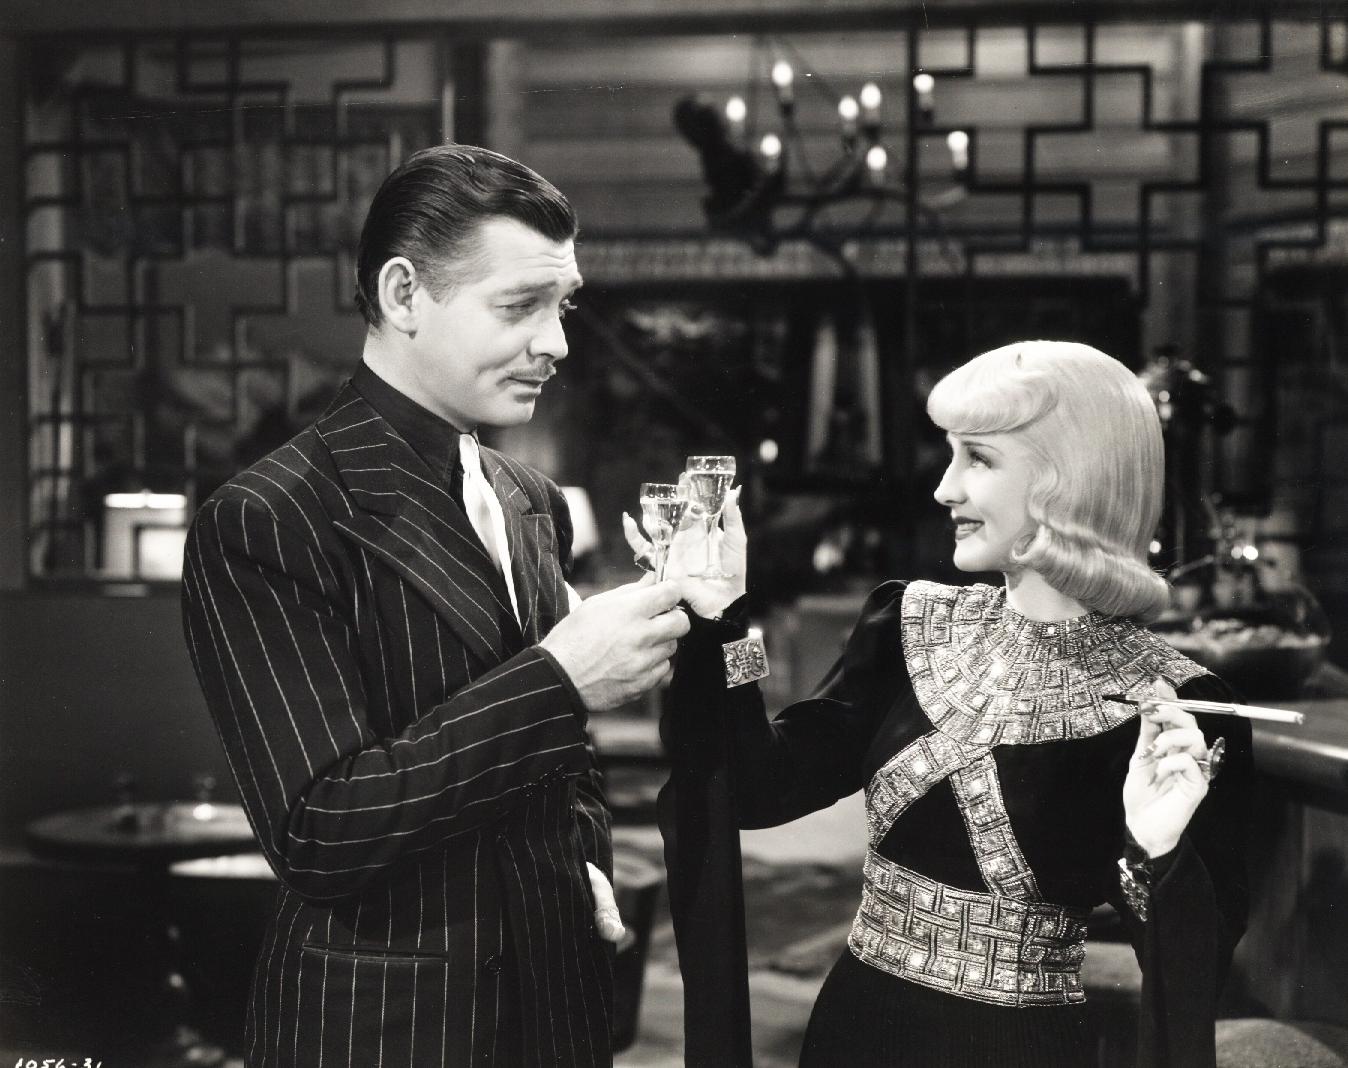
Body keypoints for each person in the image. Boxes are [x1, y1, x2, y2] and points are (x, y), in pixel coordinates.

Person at [182, 144, 689, 1068]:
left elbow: (563, 769)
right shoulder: (271, 516)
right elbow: (321, 831)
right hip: (391, 1026)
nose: (558, 342)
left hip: (557, 1000)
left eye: (562, 305)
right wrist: (561, 677)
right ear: (404, 294)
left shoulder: (530, 500)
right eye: (520, 306)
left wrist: (584, 866)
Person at [643, 340, 1252, 1067]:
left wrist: (1159, 852)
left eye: (978, 458)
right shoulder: (910, 623)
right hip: (852, 1030)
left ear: (1068, 479)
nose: (945, 488)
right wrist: (723, 626)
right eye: (951, 455)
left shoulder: (1178, 707)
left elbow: (1191, 979)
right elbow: (753, 786)